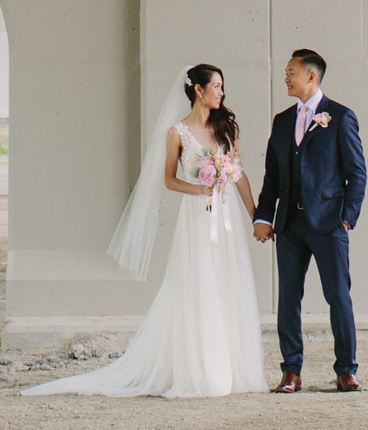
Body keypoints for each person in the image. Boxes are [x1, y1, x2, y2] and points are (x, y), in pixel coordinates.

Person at [21, 62, 267, 398]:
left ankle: (234, 368)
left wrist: (256, 216)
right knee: (199, 285)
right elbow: (168, 179)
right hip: (196, 219)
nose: (222, 92)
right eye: (217, 86)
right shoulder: (176, 133)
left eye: (223, 87)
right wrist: (200, 188)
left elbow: (239, 175)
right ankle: (206, 370)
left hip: (227, 223)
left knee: (228, 282)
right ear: (199, 89)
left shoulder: (226, 128)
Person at [252, 48, 366, 393]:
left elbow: (356, 174)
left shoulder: (341, 117)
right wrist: (263, 216)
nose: (286, 78)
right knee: (288, 297)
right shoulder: (282, 120)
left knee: (338, 296)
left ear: (311, 76)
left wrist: (346, 219)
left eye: (291, 72)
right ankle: (291, 371)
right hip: (289, 225)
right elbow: (272, 176)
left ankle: (346, 370)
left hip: (329, 223)